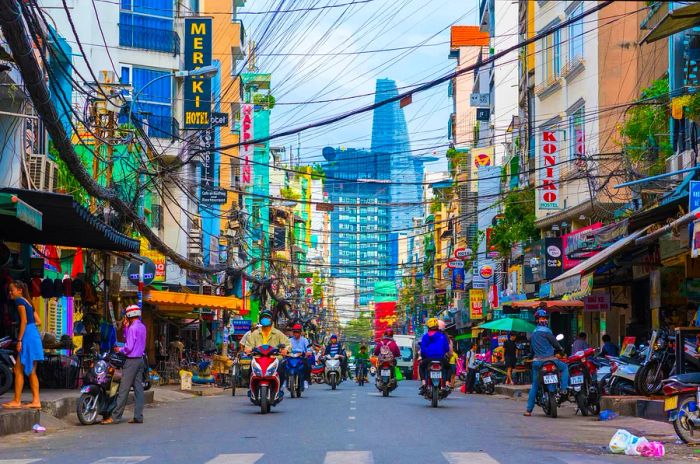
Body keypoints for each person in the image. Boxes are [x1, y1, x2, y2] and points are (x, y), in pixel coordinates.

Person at [2, 281, 43, 409]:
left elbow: (24, 321)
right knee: (30, 371)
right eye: (9, 290)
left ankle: (17, 400)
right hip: (33, 335)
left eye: (12, 290)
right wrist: (30, 326)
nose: (10, 292)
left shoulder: (19, 301)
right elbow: (39, 321)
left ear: (19, 290)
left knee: (19, 369)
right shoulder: (28, 302)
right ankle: (35, 401)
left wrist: (19, 340)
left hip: (28, 337)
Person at [103, 305, 146, 424]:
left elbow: (128, 347)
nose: (125, 316)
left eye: (126, 314)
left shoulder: (133, 328)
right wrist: (126, 328)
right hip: (140, 360)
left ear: (130, 315)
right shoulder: (142, 327)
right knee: (138, 389)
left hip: (131, 361)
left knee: (123, 389)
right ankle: (138, 416)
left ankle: (115, 417)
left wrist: (119, 350)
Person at [524, 310, 569, 417]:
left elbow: (531, 351)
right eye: (542, 318)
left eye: (545, 318)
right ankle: (563, 388)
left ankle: (528, 410)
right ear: (537, 320)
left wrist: (531, 356)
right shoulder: (547, 331)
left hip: (538, 362)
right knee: (565, 368)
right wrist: (561, 350)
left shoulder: (533, 333)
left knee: (535, 385)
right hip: (551, 360)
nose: (544, 320)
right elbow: (556, 344)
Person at [244, 310, 290, 389]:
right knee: (250, 370)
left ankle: (279, 387)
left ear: (271, 320)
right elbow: (248, 345)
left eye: (267, 317)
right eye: (264, 317)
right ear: (260, 320)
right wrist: (248, 349)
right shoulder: (254, 334)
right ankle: (251, 387)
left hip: (274, 359)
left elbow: (287, 344)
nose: (265, 319)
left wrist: (286, 349)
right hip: (258, 358)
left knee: (281, 369)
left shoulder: (278, 333)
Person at [418, 318, 450, 394]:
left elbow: (423, 350)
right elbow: (446, 348)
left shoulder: (425, 336)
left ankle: (423, 384)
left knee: (421, 367)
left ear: (428, 327)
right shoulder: (443, 336)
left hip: (428, 359)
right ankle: (447, 384)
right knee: (449, 368)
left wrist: (424, 356)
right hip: (441, 358)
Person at [288, 323, 312, 389]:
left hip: (301, 357)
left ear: (300, 332)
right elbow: (286, 348)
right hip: (291, 357)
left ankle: (305, 380)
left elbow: (309, 349)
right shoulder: (289, 340)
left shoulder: (305, 340)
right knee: (283, 365)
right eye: (294, 332)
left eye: (297, 332)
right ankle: (284, 380)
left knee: (307, 366)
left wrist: (308, 352)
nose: (296, 334)